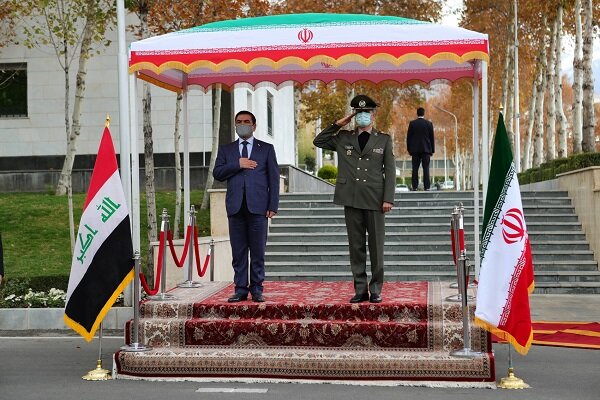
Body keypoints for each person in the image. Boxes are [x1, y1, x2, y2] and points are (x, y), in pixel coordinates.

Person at [313, 94, 396, 303]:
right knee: (356, 246)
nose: (362, 116)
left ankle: (375, 288)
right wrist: (337, 124)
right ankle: (360, 289)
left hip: (376, 199)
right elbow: (319, 140)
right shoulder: (343, 137)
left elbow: (391, 171)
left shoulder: (383, 139)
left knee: (376, 247)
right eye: (358, 113)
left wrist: (388, 199)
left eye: (366, 113)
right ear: (354, 115)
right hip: (351, 198)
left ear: (373, 115)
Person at [213, 110, 279, 303]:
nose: (242, 124)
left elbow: (273, 179)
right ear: (235, 125)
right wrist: (238, 163)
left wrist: (273, 205)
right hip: (235, 208)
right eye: (239, 122)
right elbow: (217, 173)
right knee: (239, 252)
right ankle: (240, 289)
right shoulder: (227, 150)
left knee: (257, 251)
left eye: (246, 121)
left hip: (258, 208)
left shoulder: (266, 148)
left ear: (254, 125)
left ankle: (257, 289)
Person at [406, 107, 435, 191]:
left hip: (414, 150)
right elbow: (431, 138)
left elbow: (409, 138)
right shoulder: (429, 124)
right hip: (426, 150)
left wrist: (409, 149)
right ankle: (427, 187)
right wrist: (432, 150)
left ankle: (414, 186)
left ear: (417, 113)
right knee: (426, 168)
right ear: (423, 113)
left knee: (415, 168)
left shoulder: (412, 124)